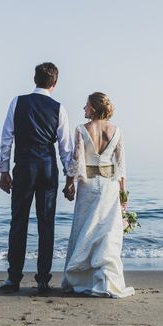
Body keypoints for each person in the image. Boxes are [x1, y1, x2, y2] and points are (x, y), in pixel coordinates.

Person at [0, 62, 74, 294]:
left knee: (18, 222)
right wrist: (71, 178)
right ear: (55, 82)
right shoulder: (59, 108)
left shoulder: (17, 102)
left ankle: (13, 278)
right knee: (46, 223)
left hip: (24, 167)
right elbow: (65, 148)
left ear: (34, 78)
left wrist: (3, 170)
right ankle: (42, 279)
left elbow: (6, 138)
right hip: (48, 169)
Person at [61, 92, 135, 298]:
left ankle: (81, 278)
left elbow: (76, 162)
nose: (83, 109)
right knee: (107, 234)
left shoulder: (81, 130)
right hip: (110, 186)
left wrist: (69, 184)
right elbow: (121, 168)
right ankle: (106, 280)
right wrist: (123, 200)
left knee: (86, 229)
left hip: (89, 186)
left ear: (93, 108)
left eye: (86, 105)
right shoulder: (117, 131)